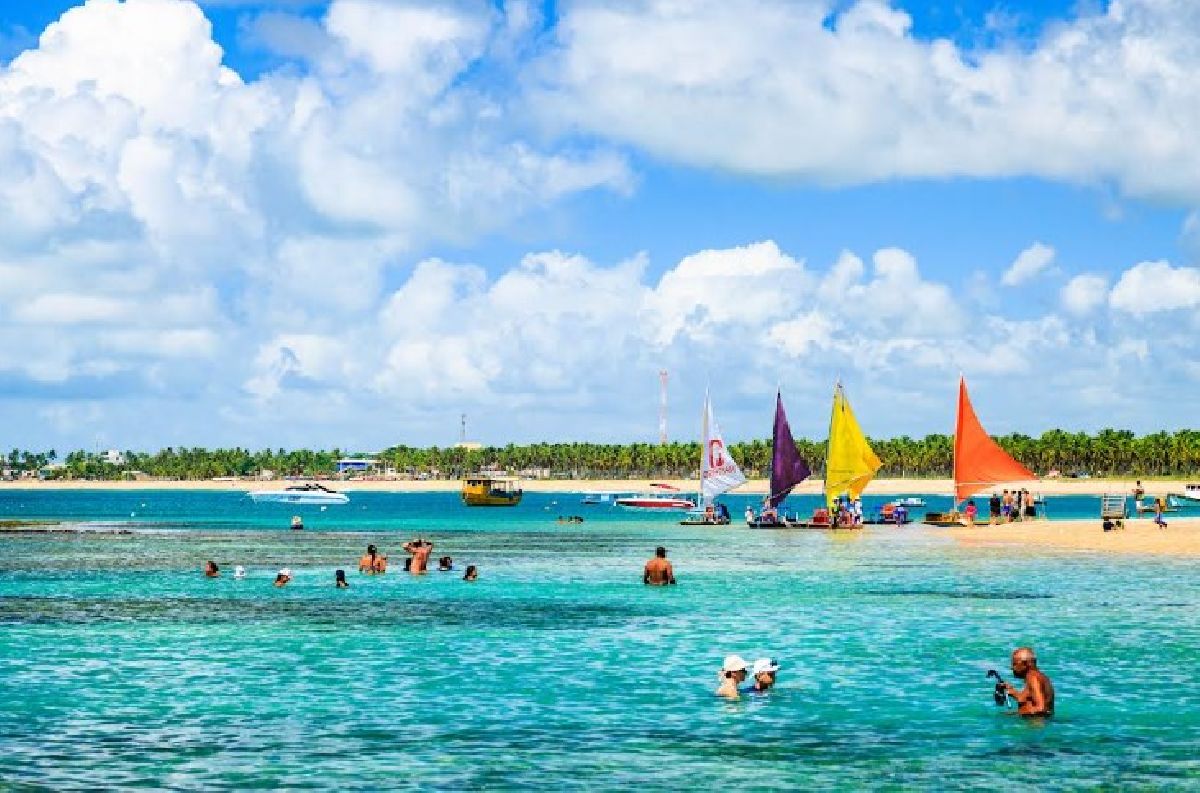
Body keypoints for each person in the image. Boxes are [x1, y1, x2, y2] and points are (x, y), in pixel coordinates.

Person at [1003, 647, 1054, 717]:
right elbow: (1030, 700)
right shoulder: (1040, 677)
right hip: (1041, 723)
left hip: (1035, 725)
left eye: (1014, 664)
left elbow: (1041, 708)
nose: (1011, 668)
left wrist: (1018, 714)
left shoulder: (1032, 678)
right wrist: (1014, 693)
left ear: (1025, 665)